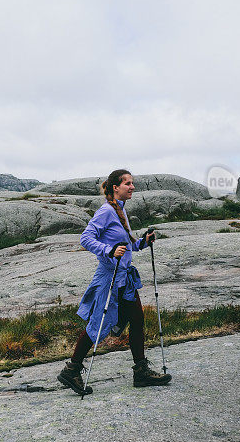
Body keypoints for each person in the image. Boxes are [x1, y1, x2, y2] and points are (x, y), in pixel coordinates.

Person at [57, 169, 171, 395]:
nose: (132, 187)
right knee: (98, 324)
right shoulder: (106, 211)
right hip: (110, 277)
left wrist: (143, 243)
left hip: (124, 278)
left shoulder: (120, 210)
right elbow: (86, 238)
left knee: (137, 319)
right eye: (127, 183)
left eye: (132, 183)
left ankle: (141, 371)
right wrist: (108, 250)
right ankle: (72, 370)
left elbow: (127, 245)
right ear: (115, 187)